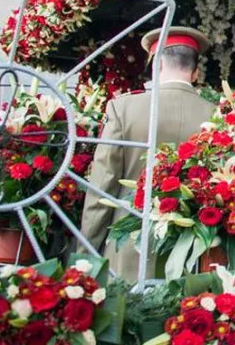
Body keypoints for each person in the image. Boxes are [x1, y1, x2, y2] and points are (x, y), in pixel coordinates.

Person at [80, 26, 216, 281]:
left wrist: (86, 248)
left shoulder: (123, 109)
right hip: (192, 256)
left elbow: (102, 187)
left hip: (128, 250)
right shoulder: (217, 116)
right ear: (196, 72)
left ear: (156, 65)